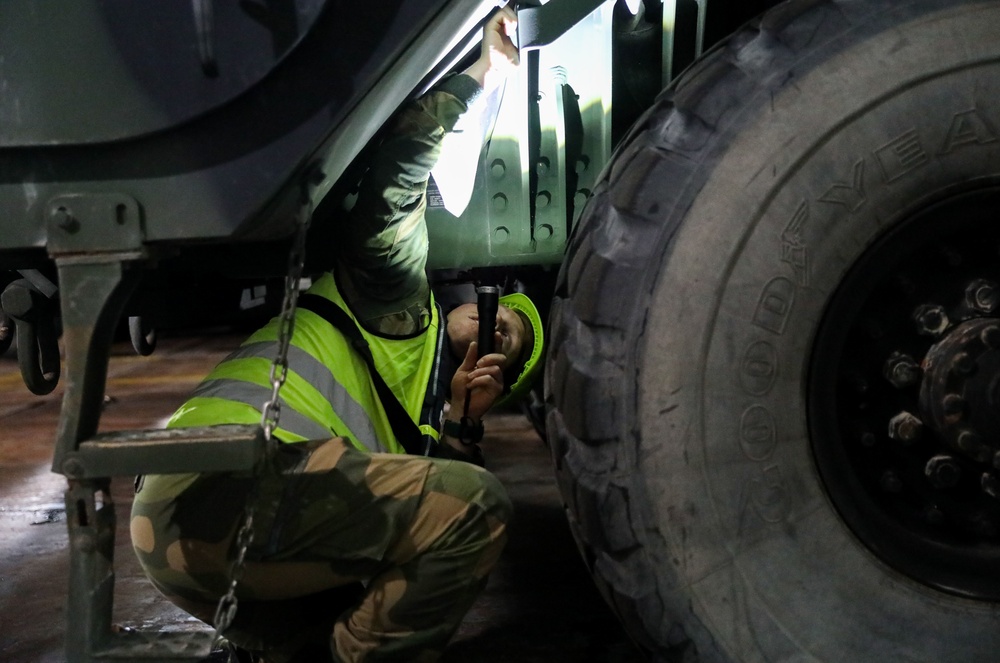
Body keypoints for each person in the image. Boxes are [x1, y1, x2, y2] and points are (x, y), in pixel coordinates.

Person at [129, 6, 544, 662]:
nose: (493, 336)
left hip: (191, 520)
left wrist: (462, 421)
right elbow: (393, 195)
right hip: (219, 489)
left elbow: (415, 501)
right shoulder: (401, 310)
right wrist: (479, 79)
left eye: (509, 348)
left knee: (403, 551)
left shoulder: (425, 410)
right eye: (502, 319)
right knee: (476, 509)